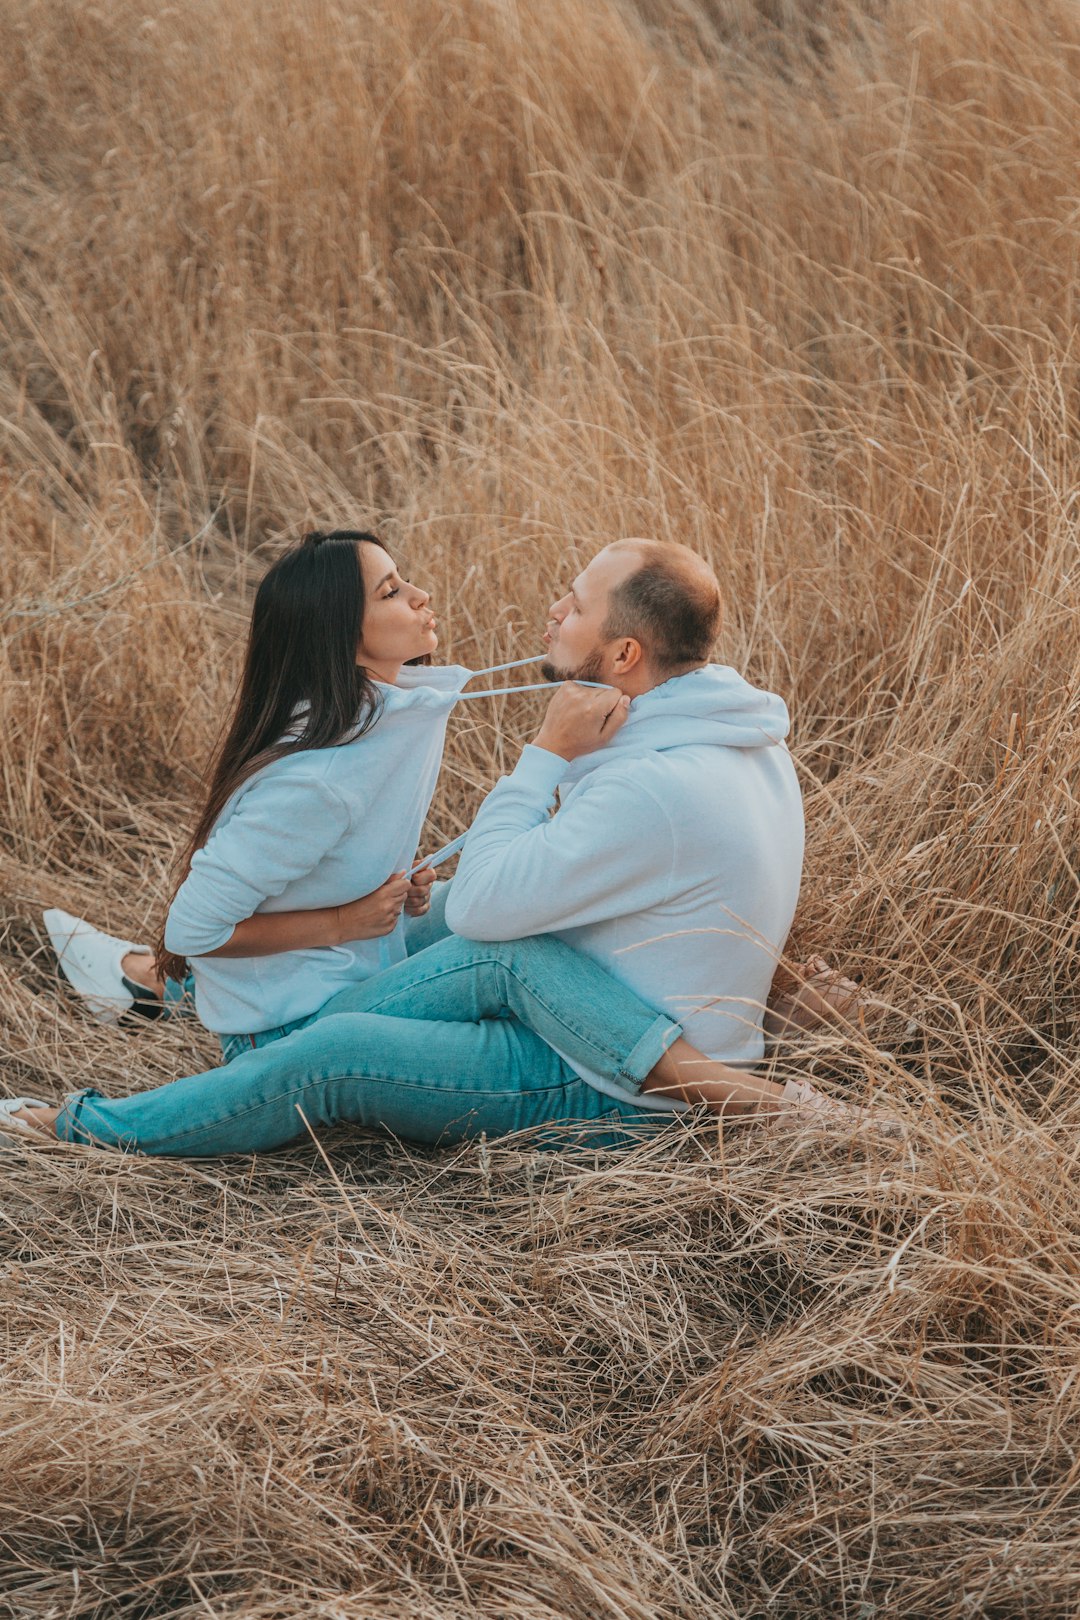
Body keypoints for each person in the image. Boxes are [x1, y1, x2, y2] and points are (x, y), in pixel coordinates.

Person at [6, 538, 880, 1152]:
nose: (550, 608)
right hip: (603, 1006)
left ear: (621, 652)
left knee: (351, 1037)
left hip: (608, 1080)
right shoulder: (733, 731)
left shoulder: (648, 781)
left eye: (572, 604)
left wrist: (540, 759)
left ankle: (86, 1122)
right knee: (457, 920)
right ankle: (156, 982)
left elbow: (500, 911)